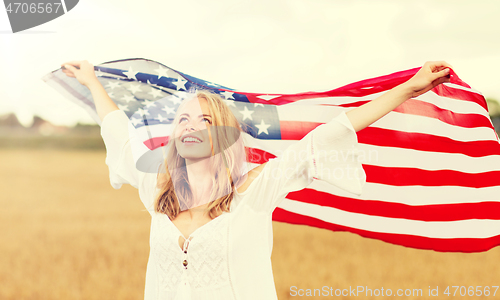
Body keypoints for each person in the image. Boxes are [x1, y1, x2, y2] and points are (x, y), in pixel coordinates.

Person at [61, 60, 452, 300]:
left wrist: (407, 89)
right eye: (183, 119)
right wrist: (93, 81)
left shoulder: (254, 190)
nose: (191, 127)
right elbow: (119, 135)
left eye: (206, 120)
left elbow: (327, 136)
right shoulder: (157, 190)